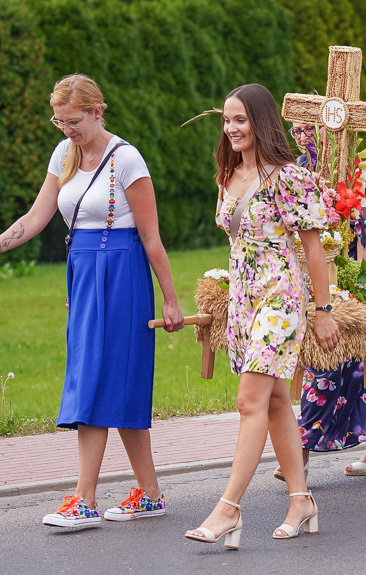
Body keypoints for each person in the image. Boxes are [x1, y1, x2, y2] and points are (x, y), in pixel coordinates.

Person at [0, 74, 185, 527]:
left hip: (121, 270)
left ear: (97, 111)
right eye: (59, 121)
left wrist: (171, 300)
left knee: (99, 379)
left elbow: (151, 237)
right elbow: (38, 215)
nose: (66, 129)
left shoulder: (128, 160)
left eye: (74, 121)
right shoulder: (64, 153)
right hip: (83, 271)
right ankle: (151, 493)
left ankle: (84, 498)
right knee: (106, 378)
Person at [184, 84, 339, 549]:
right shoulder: (227, 175)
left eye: (241, 120)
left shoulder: (287, 178)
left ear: (260, 122)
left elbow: (314, 250)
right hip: (245, 302)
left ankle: (227, 508)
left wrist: (323, 310)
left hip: (281, 299)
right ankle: (301, 499)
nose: (231, 128)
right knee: (273, 405)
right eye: (227, 120)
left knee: (250, 402)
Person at [269, 123, 366, 483]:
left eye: (309, 129)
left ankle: (300, 452)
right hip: (311, 280)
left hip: (349, 278)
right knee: (351, 369)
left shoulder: (355, 172)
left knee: (328, 364)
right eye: (294, 129)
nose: (300, 135)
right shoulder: (293, 168)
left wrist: (361, 286)